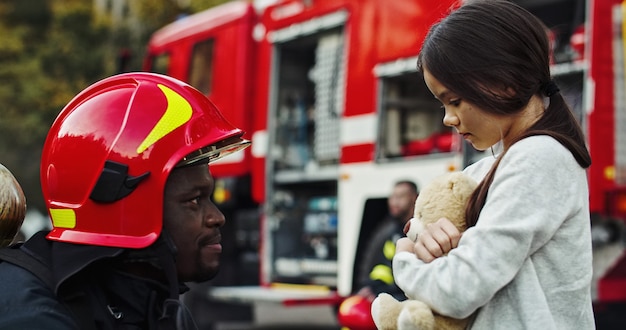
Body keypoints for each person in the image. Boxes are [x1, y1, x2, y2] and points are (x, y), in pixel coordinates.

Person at [392, 0, 594, 329]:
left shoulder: (539, 159)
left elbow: (459, 289)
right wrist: (423, 237)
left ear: (505, 82)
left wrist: (404, 258)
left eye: (454, 100)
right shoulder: (495, 168)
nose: (448, 118)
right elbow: (428, 229)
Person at [0, 72, 250, 329]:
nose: (217, 217)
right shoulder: (30, 316)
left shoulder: (159, 306)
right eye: (195, 200)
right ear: (127, 208)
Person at [357, 180, 418, 302]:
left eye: (400, 197)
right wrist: (371, 287)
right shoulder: (393, 231)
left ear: (414, 198)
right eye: (392, 197)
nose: (394, 202)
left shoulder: (420, 229)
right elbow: (385, 266)